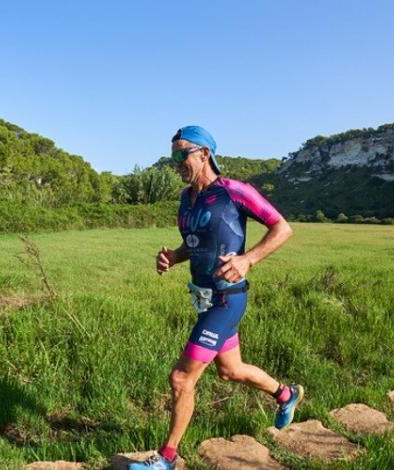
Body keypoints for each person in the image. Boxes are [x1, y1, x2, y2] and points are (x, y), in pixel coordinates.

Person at [129, 126, 302, 469]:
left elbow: (282, 227)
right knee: (231, 370)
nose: (175, 162)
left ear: (204, 153)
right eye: (172, 156)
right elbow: (196, 244)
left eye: (182, 155)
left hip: (228, 299)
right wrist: (175, 257)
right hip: (205, 299)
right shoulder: (185, 198)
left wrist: (247, 258)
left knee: (181, 378)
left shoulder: (235, 191)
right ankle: (286, 394)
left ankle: (166, 458)